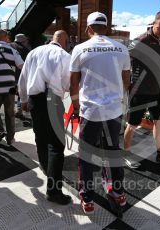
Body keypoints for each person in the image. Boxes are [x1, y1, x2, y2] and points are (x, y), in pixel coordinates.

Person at [70, 11, 131, 214]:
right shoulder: (122, 49)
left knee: (86, 155)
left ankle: (87, 198)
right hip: (114, 110)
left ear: (88, 28)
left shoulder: (80, 48)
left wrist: (76, 106)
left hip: (90, 111)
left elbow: (73, 82)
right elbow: (126, 82)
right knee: (113, 152)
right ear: (107, 27)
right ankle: (118, 193)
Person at [18, 30, 72, 205]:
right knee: (56, 145)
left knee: (40, 137)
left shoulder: (33, 52)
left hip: (34, 100)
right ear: (64, 41)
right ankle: (54, 191)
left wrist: (24, 100)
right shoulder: (64, 55)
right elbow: (67, 83)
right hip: (52, 100)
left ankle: (45, 167)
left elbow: (23, 78)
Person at [123, 10, 160, 169]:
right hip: (139, 91)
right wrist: (126, 81)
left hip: (157, 90)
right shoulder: (141, 41)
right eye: (159, 28)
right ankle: (126, 154)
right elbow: (122, 60)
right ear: (153, 23)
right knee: (133, 124)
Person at [10, 33, 32, 119]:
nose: (27, 42)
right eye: (26, 40)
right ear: (22, 41)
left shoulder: (8, 46)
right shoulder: (25, 49)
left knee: (11, 93)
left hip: (9, 74)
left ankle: (11, 109)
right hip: (20, 74)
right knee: (20, 92)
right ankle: (19, 109)